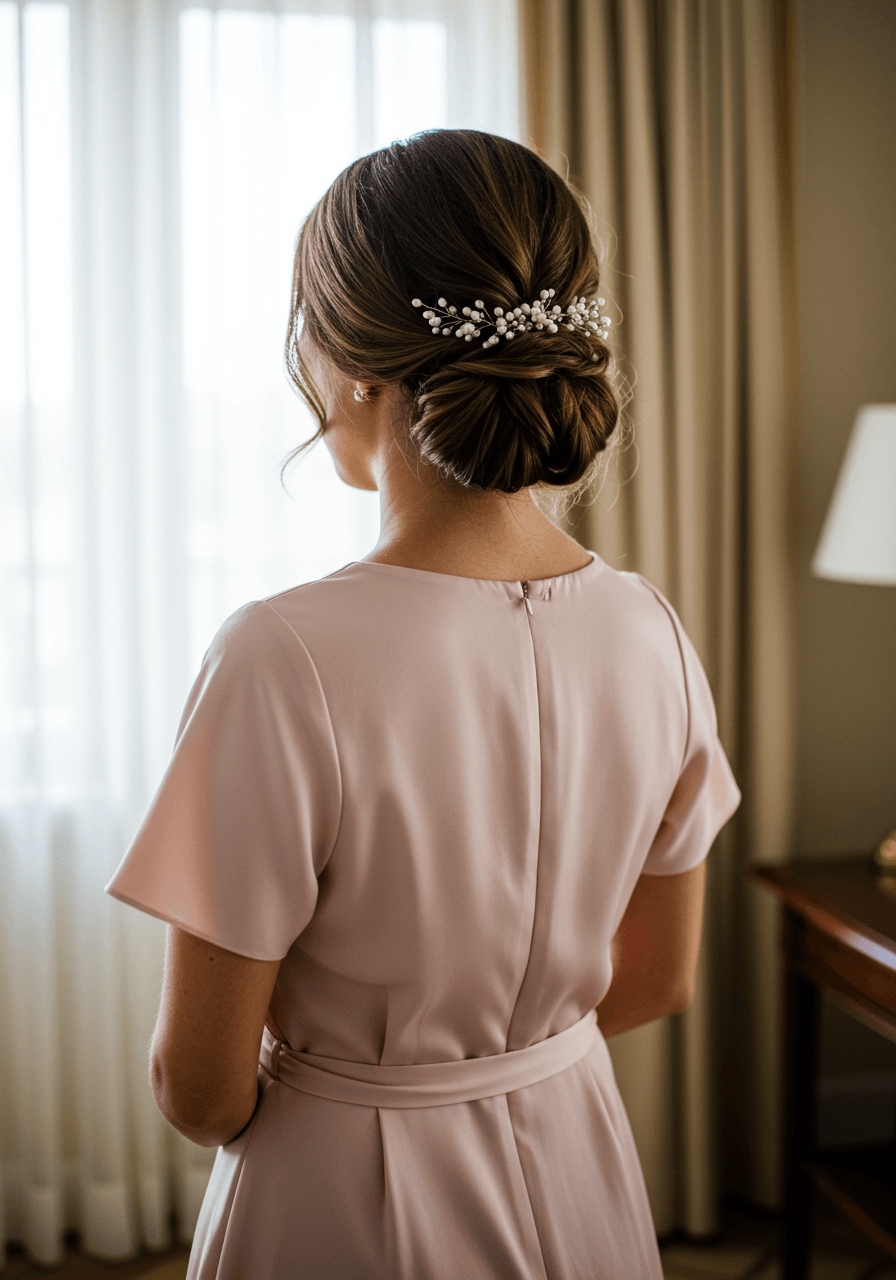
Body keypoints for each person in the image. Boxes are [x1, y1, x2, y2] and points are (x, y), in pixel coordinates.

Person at [105, 128, 741, 1279]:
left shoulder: (280, 653)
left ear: (351, 361)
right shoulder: (649, 625)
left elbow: (197, 1088)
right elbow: (656, 977)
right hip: (578, 1160)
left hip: (340, 1196)